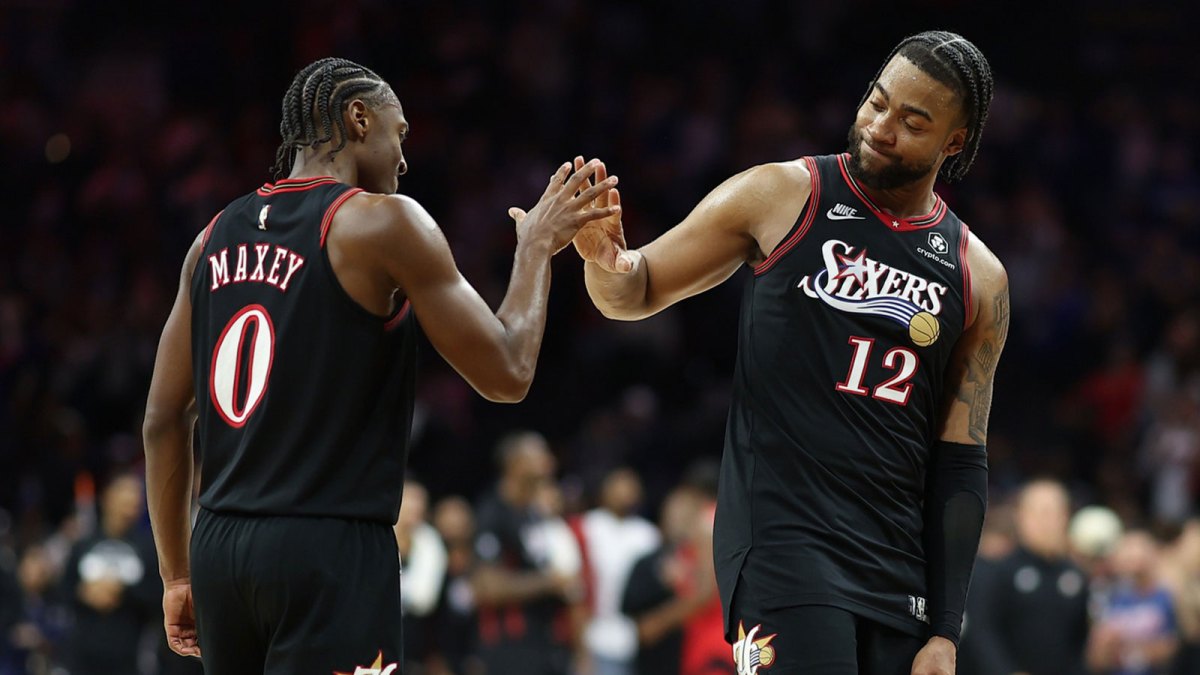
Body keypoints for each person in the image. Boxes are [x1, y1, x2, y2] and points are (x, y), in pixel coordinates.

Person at [142, 56, 619, 674]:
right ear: (359, 118)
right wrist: (534, 250)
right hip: (328, 546)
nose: (403, 157)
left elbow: (160, 420)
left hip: (219, 548)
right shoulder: (381, 222)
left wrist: (177, 575)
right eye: (400, 133)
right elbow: (507, 371)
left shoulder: (210, 238)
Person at [575, 31, 1005, 674]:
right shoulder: (782, 195)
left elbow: (960, 461)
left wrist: (945, 629)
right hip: (782, 544)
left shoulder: (978, 276)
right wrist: (605, 261)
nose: (881, 127)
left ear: (953, 142)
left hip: (898, 569)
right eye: (877, 102)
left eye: (911, 121)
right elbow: (633, 290)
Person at [470, 431, 582, 675]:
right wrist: (550, 582)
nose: (549, 460)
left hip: (547, 644)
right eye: (539, 453)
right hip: (509, 649)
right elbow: (486, 586)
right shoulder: (492, 513)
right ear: (515, 464)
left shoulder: (535, 515)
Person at [962, 480, 1090, 675]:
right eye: (1039, 513)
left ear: (1066, 517)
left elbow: (1079, 641)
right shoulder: (998, 573)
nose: (1047, 522)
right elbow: (982, 633)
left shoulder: (1076, 576)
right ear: (1020, 517)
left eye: (1054, 512)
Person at [61, 473, 160, 675]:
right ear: (107, 498)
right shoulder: (83, 544)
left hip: (129, 656)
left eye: (134, 502)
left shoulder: (149, 548)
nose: (129, 507)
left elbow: (157, 598)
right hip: (83, 654)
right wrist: (84, 593)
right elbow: (63, 590)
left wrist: (121, 591)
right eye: (123, 500)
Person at [576, 468, 661, 675]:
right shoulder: (587, 525)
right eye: (618, 485)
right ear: (604, 490)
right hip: (593, 631)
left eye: (630, 486)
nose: (624, 492)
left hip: (635, 636)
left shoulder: (648, 534)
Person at [1087, 531, 1179, 675]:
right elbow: (1096, 660)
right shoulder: (1110, 596)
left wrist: (1137, 652)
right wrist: (1104, 643)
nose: (1133, 556)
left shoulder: (1168, 595)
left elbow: (1176, 647)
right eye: (1128, 550)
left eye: (1139, 550)